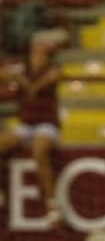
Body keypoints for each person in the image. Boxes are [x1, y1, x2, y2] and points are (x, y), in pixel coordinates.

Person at [0, 28, 67, 228]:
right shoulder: (21, 68)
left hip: (46, 123)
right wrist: (13, 77)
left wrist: (24, 81)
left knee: (40, 149)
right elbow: (4, 74)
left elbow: (37, 86)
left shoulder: (53, 69)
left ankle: (52, 204)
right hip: (26, 124)